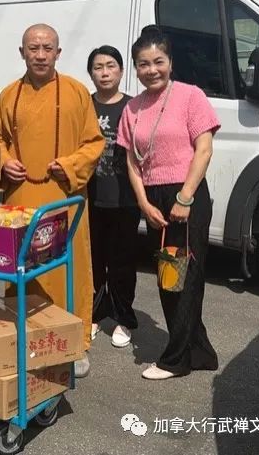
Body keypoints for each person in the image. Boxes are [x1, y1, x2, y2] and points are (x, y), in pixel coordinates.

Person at [0, 24, 105, 378]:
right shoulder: (9, 95)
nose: (40, 54)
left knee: (68, 271)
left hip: (64, 198)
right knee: (24, 269)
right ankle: (21, 337)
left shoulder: (77, 92)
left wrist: (69, 165)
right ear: (21, 52)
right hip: (21, 197)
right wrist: (4, 160)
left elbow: (94, 143)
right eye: (33, 48)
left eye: (47, 48)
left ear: (58, 52)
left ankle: (73, 343)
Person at [117, 25, 220, 380]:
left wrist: (185, 197)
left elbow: (203, 150)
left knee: (185, 278)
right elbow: (132, 161)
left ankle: (175, 360)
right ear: (136, 67)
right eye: (143, 64)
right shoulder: (133, 108)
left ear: (170, 62)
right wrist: (144, 204)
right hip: (155, 197)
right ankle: (200, 351)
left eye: (158, 61)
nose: (151, 70)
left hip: (186, 194)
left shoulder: (191, 96)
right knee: (168, 275)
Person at [87, 45, 141, 348]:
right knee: (93, 259)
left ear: (121, 71)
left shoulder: (134, 107)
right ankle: (94, 314)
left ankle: (123, 317)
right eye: (98, 67)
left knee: (122, 262)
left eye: (110, 66)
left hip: (125, 199)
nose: (104, 72)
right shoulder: (84, 104)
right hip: (90, 197)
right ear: (91, 73)